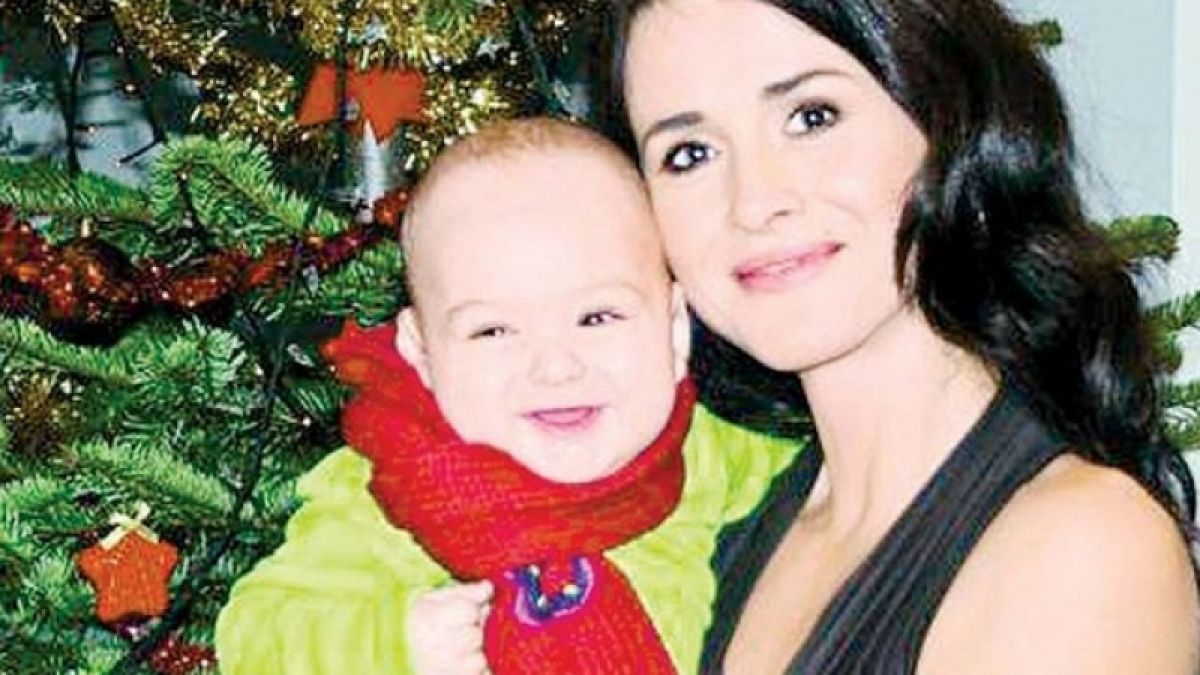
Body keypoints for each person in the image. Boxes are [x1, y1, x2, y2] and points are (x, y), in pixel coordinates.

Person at [593, 0, 1200, 672]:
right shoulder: (716, 528)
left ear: (948, 116)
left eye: (811, 117)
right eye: (689, 154)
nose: (754, 203)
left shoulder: (1080, 549)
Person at [214, 117, 802, 674]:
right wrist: (394, 641)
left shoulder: (710, 453)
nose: (554, 366)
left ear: (673, 329)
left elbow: (838, 496)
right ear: (422, 353)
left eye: (596, 317)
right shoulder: (385, 490)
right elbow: (255, 633)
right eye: (493, 330)